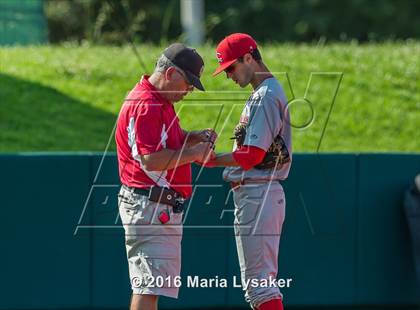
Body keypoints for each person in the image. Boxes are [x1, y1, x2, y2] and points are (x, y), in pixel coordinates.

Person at [115, 43, 216, 310]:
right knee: (148, 288)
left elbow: (165, 142)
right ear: (171, 73)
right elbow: (150, 159)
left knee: (151, 287)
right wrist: (194, 153)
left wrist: (191, 137)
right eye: (189, 82)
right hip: (150, 205)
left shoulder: (159, 99)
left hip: (155, 205)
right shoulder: (147, 104)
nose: (190, 89)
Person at [207, 33, 292, 310]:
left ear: (248, 57)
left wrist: (208, 159)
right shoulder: (263, 93)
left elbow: (252, 155)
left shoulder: (266, 95)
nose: (228, 74)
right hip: (258, 193)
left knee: (259, 287)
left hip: (259, 191)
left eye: (231, 67)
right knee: (260, 285)